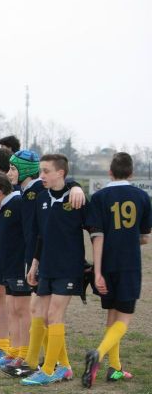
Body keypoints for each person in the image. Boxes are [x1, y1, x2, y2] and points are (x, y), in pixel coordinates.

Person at [82, 152, 151, 388]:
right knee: (124, 316)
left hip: (106, 263)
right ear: (131, 173)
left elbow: (96, 235)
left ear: (109, 172)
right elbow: (144, 237)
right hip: (129, 264)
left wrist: (97, 271)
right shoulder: (142, 196)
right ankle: (99, 354)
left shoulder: (99, 197)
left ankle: (115, 368)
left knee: (112, 314)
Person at [21, 154, 88, 386]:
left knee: (54, 315)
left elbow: (95, 231)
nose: (41, 176)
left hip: (69, 267)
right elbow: (40, 235)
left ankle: (48, 370)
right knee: (40, 314)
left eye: (46, 171)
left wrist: (76, 187)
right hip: (46, 266)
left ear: (61, 173)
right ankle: (65, 368)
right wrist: (35, 265)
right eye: (40, 171)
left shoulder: (76, 198)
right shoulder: (40, 197)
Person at [0, 171, 31, 370]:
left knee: (22, 310)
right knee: (12, 309)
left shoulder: (18, 204)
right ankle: (13, 351)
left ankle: (25, 354)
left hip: (20, 266)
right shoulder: (1, 207)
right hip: (7, 265)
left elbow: (28, 235)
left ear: (0, 192)